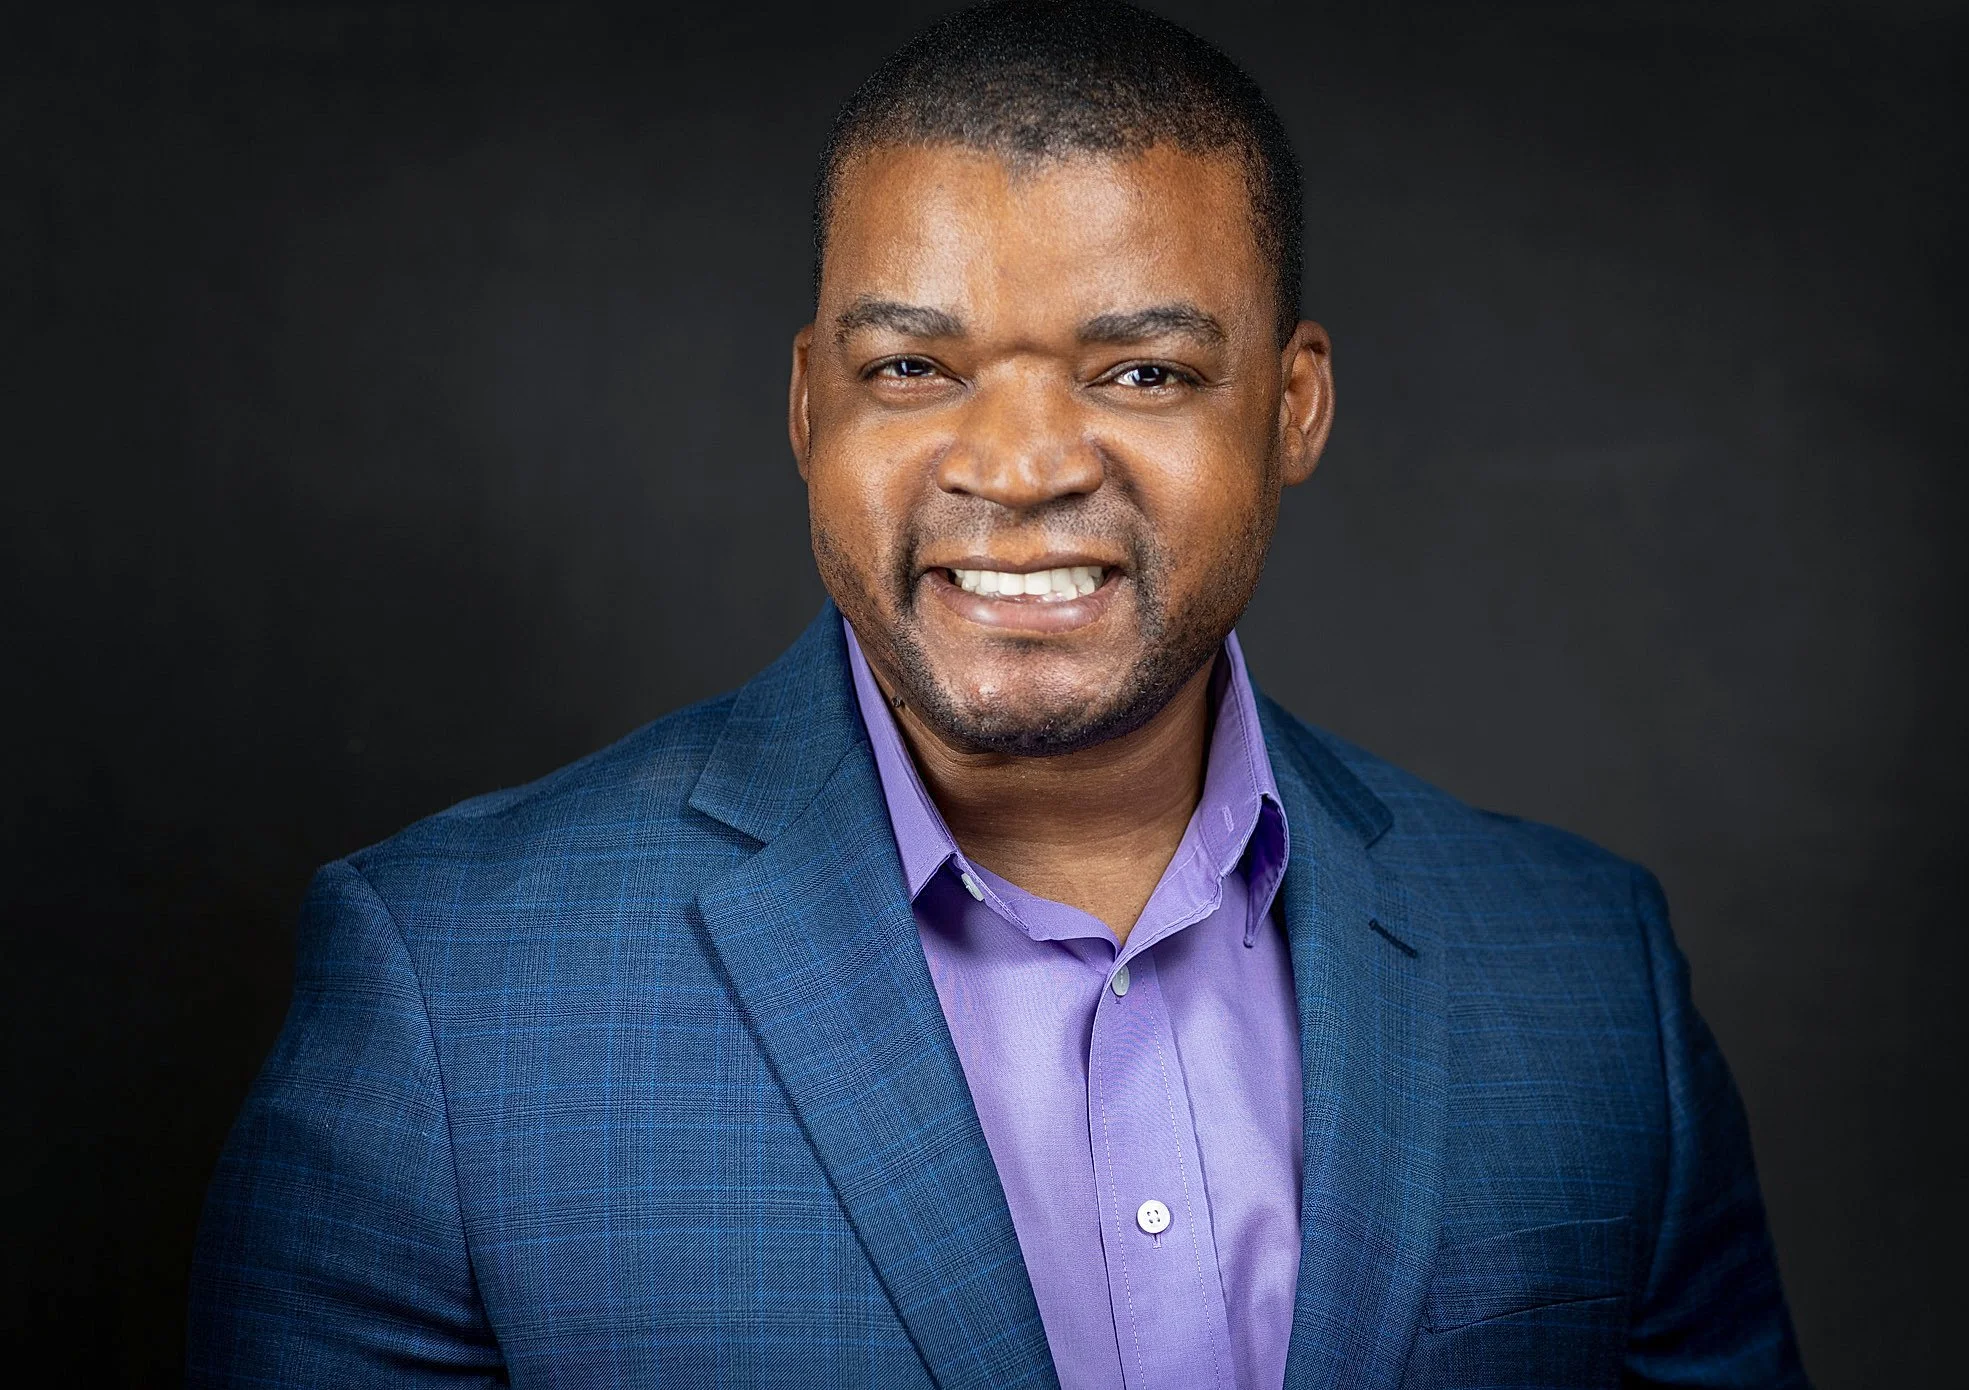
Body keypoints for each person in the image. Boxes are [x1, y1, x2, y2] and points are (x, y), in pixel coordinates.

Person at [188, 3, 1807, 1386]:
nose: (1023, 464)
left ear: (1295, 405)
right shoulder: (453, 999)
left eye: (1142, 372)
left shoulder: (1587, 975)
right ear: (810, 402)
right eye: (915, 369)